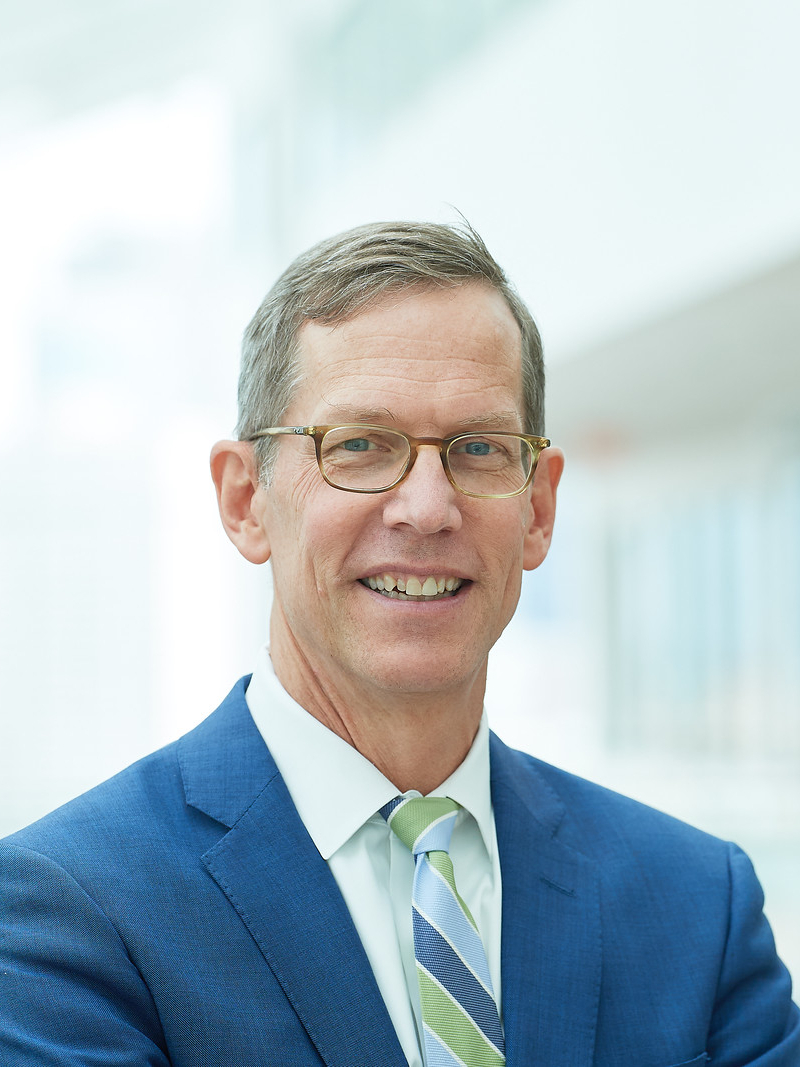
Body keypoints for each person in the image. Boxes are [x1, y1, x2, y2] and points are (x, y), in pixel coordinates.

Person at [1, 221, 797, 1067]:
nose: (426, 507)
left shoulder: (696, 909)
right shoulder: (71, 911)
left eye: (479, 449)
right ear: (244, 499)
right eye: (359, 446)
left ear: (538, 508)